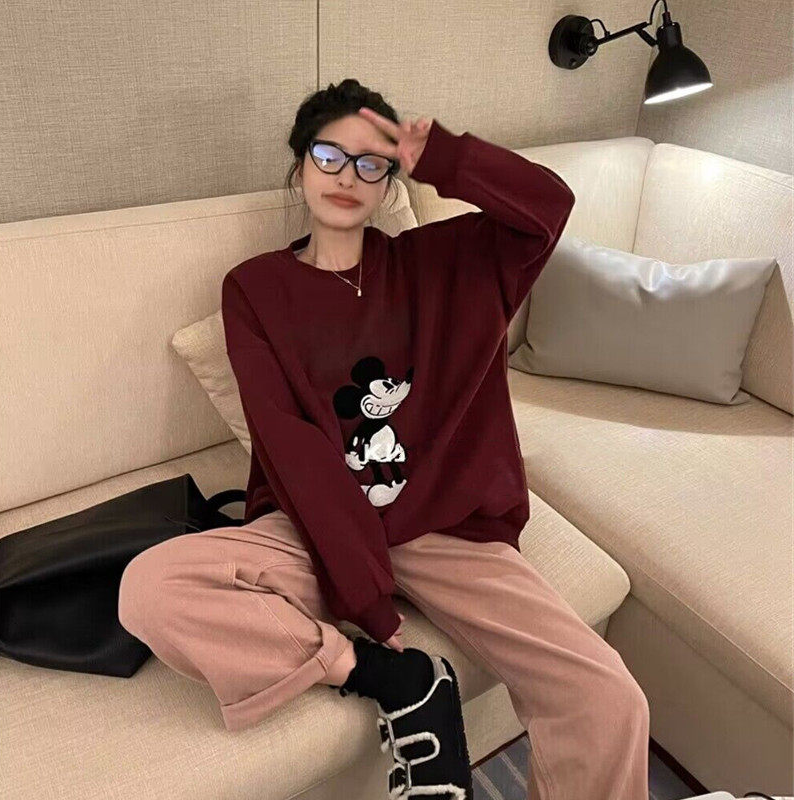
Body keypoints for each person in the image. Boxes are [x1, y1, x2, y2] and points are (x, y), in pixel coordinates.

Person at [118, 78, 650, 800]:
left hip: (447, 531)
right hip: (314, 529)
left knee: (610, 699)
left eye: (372, 162)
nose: (347, 176)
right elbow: (292, 444)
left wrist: (449, 157)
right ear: (300, 162)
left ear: (392, 179)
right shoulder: (255, 289)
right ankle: (398, 683)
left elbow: (548, 207)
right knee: (150, 588)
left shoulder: (448, 262)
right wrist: (367, 603)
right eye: (330, 155)